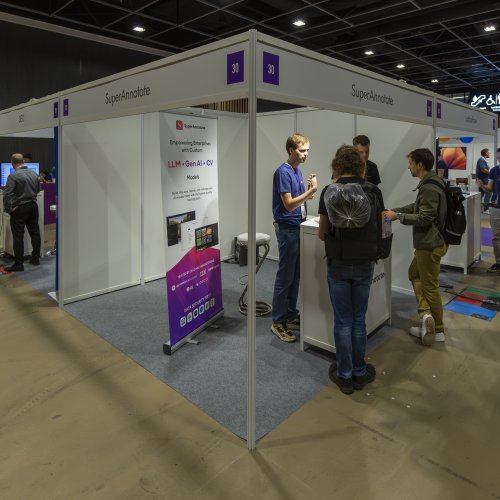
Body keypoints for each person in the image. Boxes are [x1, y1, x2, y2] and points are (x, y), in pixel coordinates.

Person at [317, 145, 383, 394]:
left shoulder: (329, 191)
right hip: (365, 263)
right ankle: (359, 371)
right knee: (358, 318)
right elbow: (380, 227)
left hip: (338, 263)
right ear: (360, 165)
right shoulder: (373, 191)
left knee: (343, 320)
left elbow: (322, 233)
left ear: (337, 165)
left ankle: (344, 375)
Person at [384, 148, 447, 345]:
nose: (408, 167)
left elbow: (425, 217)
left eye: (410, 163)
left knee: (430, 286)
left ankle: (438, 329)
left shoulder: (429, 187)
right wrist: (395, 211)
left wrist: (398, 216)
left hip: (430, 244)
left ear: (420, 165)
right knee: (414, 274)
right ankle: (426, 316)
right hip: (430, 243)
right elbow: (417, 207)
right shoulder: (430, 183)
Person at [271, 134, 317, 342]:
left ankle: (289, 314)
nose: (305, 154)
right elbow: (289, 205)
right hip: (288, 229)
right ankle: (277, 321)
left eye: (307, 150)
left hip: (297, 227)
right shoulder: (283, 172)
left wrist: (308, 193)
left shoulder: (297, 170)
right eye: (302, 150)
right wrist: (311, 191)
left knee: (295, 275)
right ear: (291, 150)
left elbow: (297, 202)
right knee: (285, 277)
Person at [2, 153, 41, 272]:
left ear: (12, 162)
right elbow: (38, 189)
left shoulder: (13, 176)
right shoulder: (34, 174)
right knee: (35, 233)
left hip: (20, 208)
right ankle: (35, 258)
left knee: (18, 236)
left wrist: (9, 209)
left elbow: (7, 195)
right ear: (23, 161)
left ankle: (19, 264)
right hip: (33, 206)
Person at [479, 147, 500, 274]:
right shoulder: (494, 170)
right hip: (496, 208)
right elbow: (490, 188)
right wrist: (482, 186)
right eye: (498, 157)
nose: (499, 159)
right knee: (496, 237)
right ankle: (498, 262)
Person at [476, 148, 491, 212]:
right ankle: (485, 208)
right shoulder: (481, 160)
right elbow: (483, 170)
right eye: (489, 152)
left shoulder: (483, 160)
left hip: (483, 180)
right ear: (486, 153)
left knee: (481, 194)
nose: (490, 154)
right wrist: (491, 173)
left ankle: (480, 208)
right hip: (483, 180)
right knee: (488, 193)